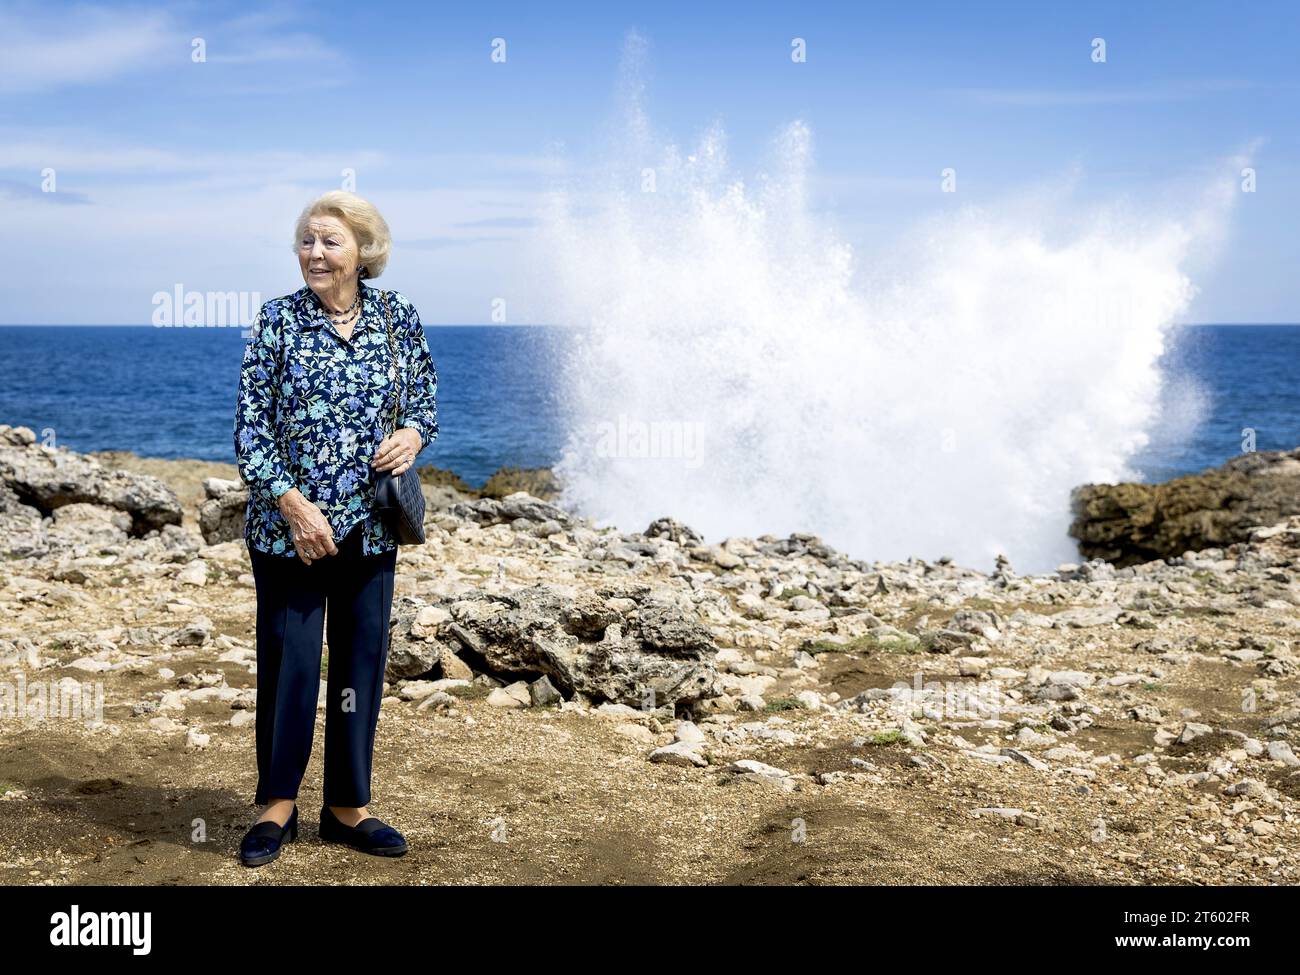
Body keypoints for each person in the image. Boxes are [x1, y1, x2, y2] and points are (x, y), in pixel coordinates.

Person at [232, 190, 438, 866]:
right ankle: (277, 805)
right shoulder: (275, 322)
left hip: (372, 529)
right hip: (290, 530)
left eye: (329, 242)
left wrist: (410, 432)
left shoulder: (397, 316)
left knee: (360, 662)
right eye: (306, 241)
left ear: (361, 251)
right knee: (290, 666)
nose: (314, 253)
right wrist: (292, 503)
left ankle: (349, 807)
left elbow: (426, 402)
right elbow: (251, 431)